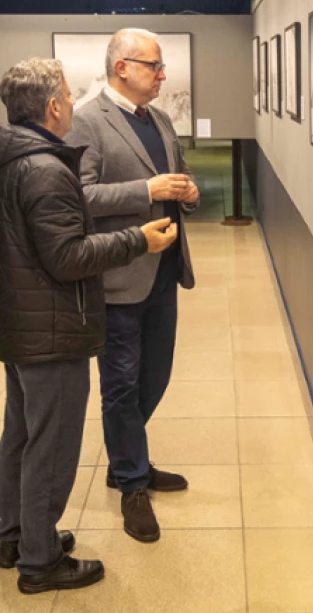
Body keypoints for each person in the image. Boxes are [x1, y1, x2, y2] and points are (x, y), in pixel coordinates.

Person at [0, 58, 177, 594]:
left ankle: (14, 534)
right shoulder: (47, 169)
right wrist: (137, 241)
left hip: (22, 321)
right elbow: (67, 257)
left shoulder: (14, 155)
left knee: (22, 435)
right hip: (51, 327)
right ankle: (40, 560)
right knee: (50, 447)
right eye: (66, 95)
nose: (72, 103)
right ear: (53, 106)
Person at [65, 28, 199, 544]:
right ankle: (132, 483)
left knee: (155, 376)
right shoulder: (86, 121)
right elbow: (79, 197)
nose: (162, 75)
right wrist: (147, 189)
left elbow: (180, 175)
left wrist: (184, 191)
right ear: (122, 67)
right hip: (119, 276)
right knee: (121, 384)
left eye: (161, 67)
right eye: (154, 66)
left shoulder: (160, 120)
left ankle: (127, 460)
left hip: (164, 272)